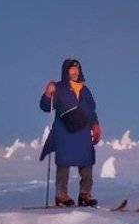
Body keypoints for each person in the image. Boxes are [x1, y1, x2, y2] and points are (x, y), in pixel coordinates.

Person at [39, 57, 102, 206]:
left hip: (83, 133)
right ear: (66, 71)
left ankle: (85, 194)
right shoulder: (58, 88)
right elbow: (46, 107)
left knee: (86, 163)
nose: (75, 72)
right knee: (64, 162)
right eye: (71, 69)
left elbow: (91, 110)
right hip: (64, 132)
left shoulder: (85, 90)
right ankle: (61, 195)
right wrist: (48, 94)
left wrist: (95, 125)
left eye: (77, 69)